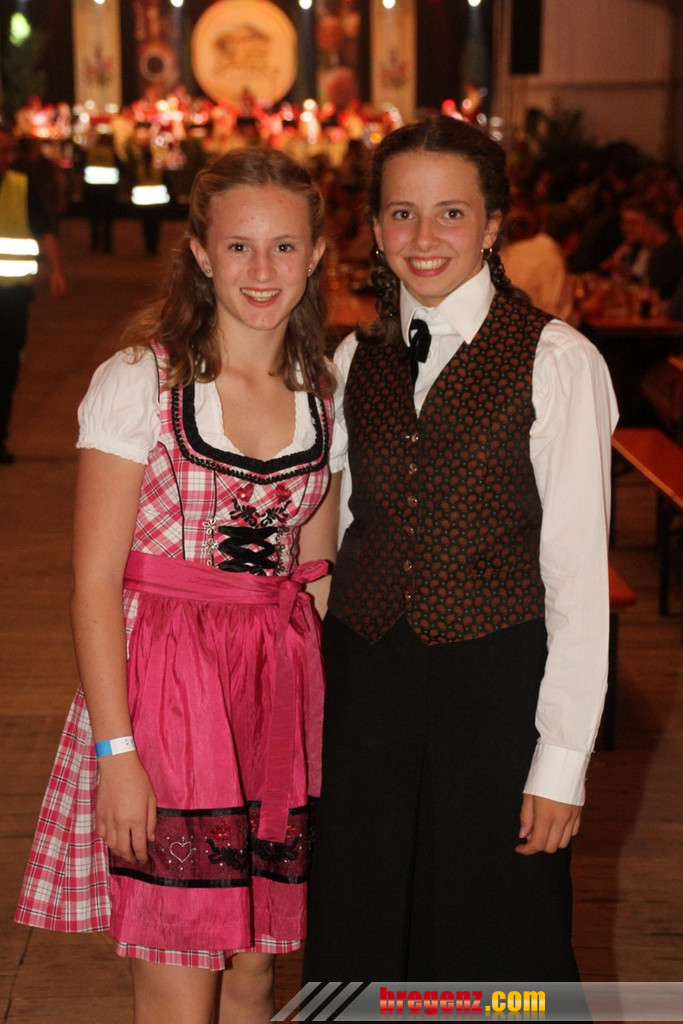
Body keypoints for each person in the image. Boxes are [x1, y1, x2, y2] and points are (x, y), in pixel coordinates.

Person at [16, 147, 342, 1024]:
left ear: (315, 254)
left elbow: (314, 577)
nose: (261, 269)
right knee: (179, 975)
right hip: (166, 697)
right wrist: (116, 757)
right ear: (199, 252)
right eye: (238, 246)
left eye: (283, 246)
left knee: (253, 974)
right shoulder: (142, 381)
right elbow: (92, 587)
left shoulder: (322, 392)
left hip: (274, 700)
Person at [304, 115, 618, 984]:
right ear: (373, 228)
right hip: (365, 694)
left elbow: (577, 580)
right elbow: (325, 521)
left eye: (450, 213)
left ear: (491, 226)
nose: (423, 236)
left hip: (495, 693)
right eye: (401, 213)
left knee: (496, 944)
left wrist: (561, 764)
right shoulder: (351, 358)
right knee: (363, 935)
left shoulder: (556, 360)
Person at [0, 124, 67, 464]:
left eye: (7, 151)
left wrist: (57, 270)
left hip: (13, 298)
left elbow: (45, 230)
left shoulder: (20, 187)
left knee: (6, 369)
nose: (4, 158)